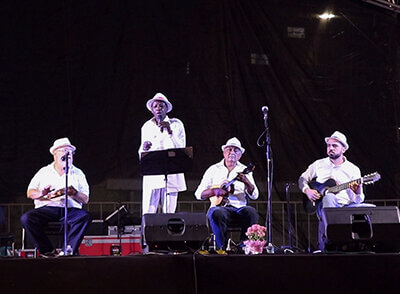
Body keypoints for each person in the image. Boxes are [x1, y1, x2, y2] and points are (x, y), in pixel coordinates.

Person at [298, 131, 374, 251]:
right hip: (324, 206)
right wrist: (307, 191)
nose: (330, 148)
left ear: (343, 149)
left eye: (335, 145)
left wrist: (358, 191)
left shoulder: (353, 169)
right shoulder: (319, 164)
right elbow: (302, 178)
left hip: (347, 208)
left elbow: (359, 200)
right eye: (329, 145)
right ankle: (331, 242)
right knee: (329, 197)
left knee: (371, 208)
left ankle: (365, 247)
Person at [21, 138, 92, 256]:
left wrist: (74, 193)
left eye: (70, 152)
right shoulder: (44, 172)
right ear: (55, 154)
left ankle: (67, 250)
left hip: (70, 210)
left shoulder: (78, 173)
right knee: (27, 218)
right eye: (64, 151)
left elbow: (85, 199)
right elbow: (30, 192)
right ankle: (47, 250)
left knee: (85, 216)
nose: (68, 154)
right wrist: (41, 194)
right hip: (48, 208)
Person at [195, 137, 259, 250]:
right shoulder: (213, 169)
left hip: (239, 208)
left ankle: (244, 246)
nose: (232, 152)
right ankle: (221, 248)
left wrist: (246, 181)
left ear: (240, 155)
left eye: (236, 150)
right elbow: (198, 194)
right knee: (215, 212)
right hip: (220, 208)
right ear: (224, 152)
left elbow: (255, 195)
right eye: (229, 149)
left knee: (251, 212)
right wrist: (214, 191)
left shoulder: (244, 170)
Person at [138, 93, 187, 215]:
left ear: (166, 109)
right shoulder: (146, 126)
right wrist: (144, 148)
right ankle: (147, 234)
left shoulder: (176, 124)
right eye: (155, 106)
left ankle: (169, 234)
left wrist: (170, 131)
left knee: (169, 211)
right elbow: (141, 153)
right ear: (152, 110)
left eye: (161, 106)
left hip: (171, 173)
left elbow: (182, 148)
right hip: (152, 174)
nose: (158, 108)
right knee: (149, 211)